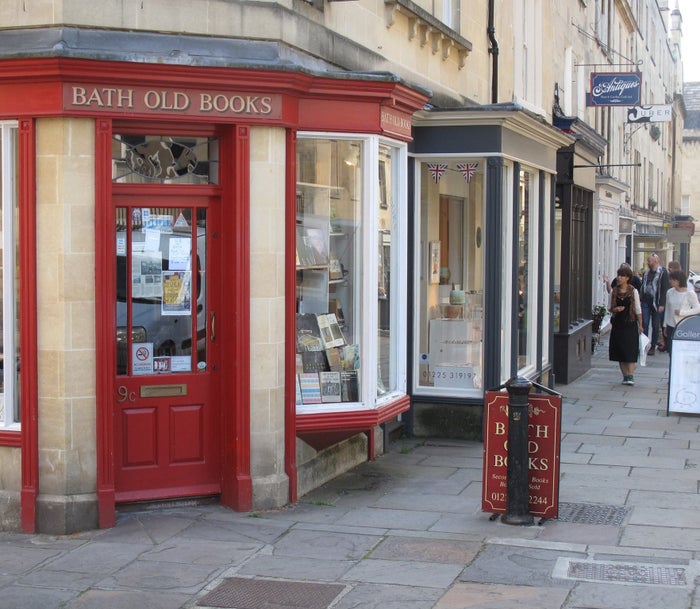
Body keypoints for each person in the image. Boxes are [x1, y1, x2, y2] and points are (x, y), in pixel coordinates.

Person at [609, 265, 643, 385]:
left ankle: (631, 375)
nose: (619, 277)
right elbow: (610, 308)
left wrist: (641, 325)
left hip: (630, 322)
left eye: (622, 276)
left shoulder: (633, 291)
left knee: (630, 350)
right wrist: (615, 309)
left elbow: (638, 309)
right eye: (618, 275)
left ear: (627, 278)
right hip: (618, 324)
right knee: (620, 351)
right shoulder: (614, 291)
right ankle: (625, 376)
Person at [662, 269, 700, 355]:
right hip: (670, 325)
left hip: (682, 326)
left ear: (678, 281)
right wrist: (665, 326)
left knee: (680, 351)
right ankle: (671, 368)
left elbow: (698, 309)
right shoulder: (669, 292)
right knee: (671, 351)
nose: (670, 281)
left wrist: (682, 312)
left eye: (672, 279)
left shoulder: (690, 293)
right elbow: (667, 309)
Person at [639, 253, 669, 355]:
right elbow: (643, 285)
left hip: (657, 301)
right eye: (648, 260)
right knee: (645, 323)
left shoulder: (663, 272)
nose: (648, 262)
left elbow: (665, 289)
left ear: (656, 261)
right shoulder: (646, 273)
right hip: (646, 301)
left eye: (650, 260)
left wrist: (662, 304)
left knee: (656, 325)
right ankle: (645, 345)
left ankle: (653, 346)